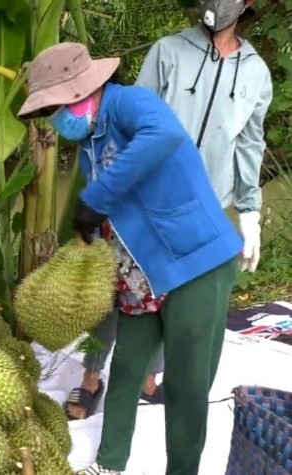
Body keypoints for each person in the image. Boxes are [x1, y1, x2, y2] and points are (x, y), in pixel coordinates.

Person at [16, 42, 243, 475]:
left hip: (195, 262)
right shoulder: (88, 143)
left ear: (84, 91)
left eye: (57, 108)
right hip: (141, 276)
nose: (56, 120)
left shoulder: (129, 103)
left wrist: (96, 197)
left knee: (187, 386)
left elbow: (165, 136)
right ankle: (109, 464)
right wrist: (90, 234)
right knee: (124, 371)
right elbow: (117, 209)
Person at [63, 0, 273, 421]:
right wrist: (104, 191)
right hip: (138, 204)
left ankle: (148, 376)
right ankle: (90, 375)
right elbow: (125, 125)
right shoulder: (168, 52)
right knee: (107, 298)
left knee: (170, 297)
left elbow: (250, 144)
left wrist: (250, 211)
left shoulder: (256, 72)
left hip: (202, 208)